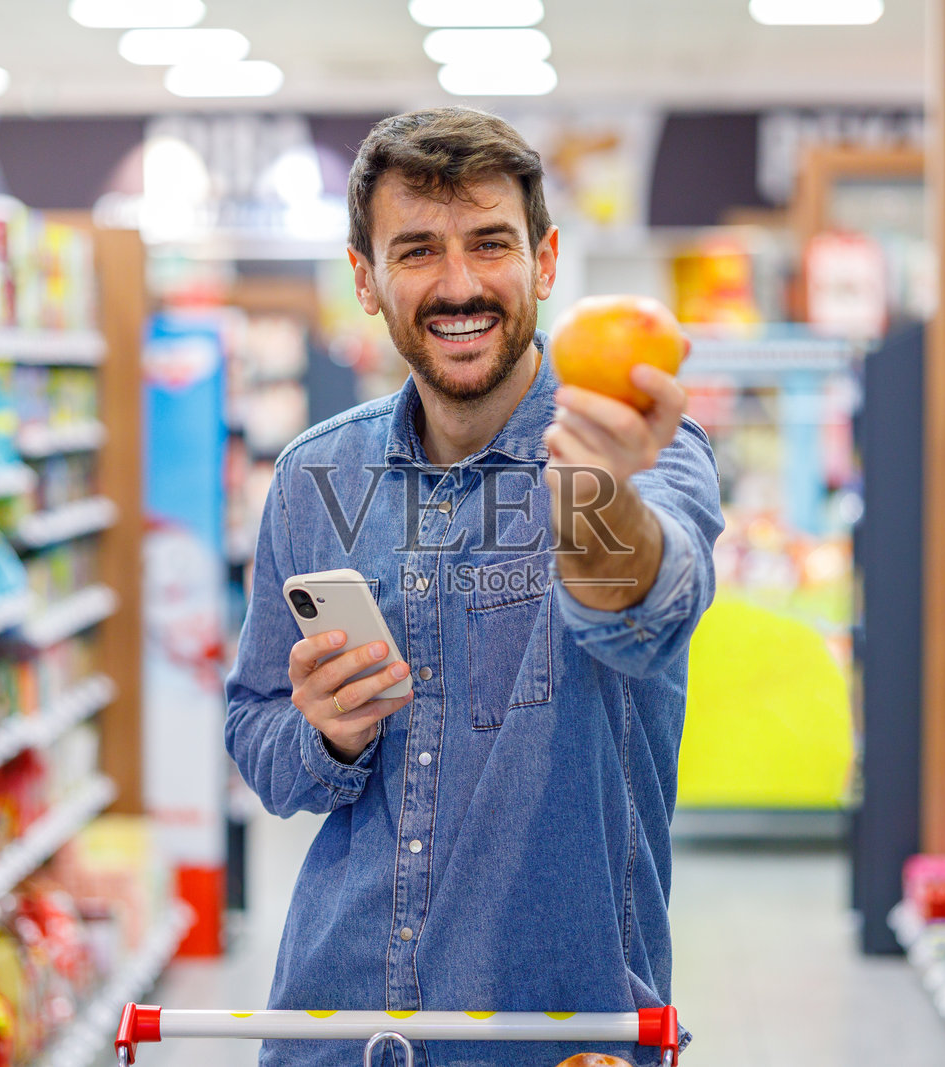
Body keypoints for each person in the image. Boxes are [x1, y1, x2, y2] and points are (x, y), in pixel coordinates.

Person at [224, 106, 723, 1067]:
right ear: (366, 280)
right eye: (417, 251)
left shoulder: (636, 451)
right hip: (340, 1026)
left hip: (559, 1036)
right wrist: (325, 732)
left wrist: (598, 491)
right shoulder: (316, 477)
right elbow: (257, 733)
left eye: (490, 243)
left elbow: (644, 621)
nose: (459, 285)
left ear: (543, 261)